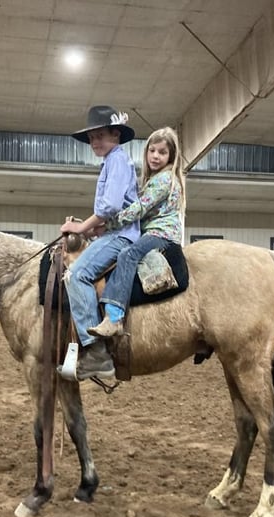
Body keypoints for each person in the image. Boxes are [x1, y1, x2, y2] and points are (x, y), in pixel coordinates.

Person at [59, 105, 140, 380]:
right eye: (92, 138)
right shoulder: (112, 161)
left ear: (115, 135)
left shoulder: (117, 160)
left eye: (100, 136)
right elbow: (115, 211)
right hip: (113, 232)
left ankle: (96, 353)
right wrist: (94, 231)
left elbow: (111, 205)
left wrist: (80, 227)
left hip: (121, 237)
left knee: (76, 275)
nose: (95, 142)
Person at [88, 126, 186, 338]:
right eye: (152, 151)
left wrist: (108, 225)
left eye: (162, 152)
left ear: (171, 157)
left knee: (127, 254)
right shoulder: (155, 179)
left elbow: (138, 209)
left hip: (161, 234)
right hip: (153, 233)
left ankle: (114, 317)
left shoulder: (164, 179)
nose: (156, 156)